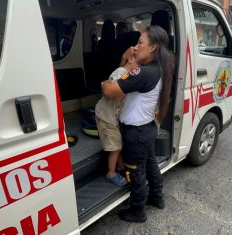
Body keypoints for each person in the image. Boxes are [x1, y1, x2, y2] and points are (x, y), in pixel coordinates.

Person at [101, 25, 175, 222]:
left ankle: (137, 211)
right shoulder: (157, 68)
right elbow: (124, 79)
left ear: (152, 47)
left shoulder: (143, 73)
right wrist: (128, 62)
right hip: (147, 128)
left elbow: (109, 90)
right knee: (150, 165)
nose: (135, 47)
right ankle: (157, 198)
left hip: (136, 133)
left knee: (136, 173)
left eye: (140, 42)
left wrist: (107, 80)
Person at [95, 57, 139, 187]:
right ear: (130, 60)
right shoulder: (122, 72)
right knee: (115, 146)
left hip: (111, 116)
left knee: (118, 142)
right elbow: (113, 92)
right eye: (138, 63)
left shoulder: (126, 74)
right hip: (106, 116)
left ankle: (120, 167)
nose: (139, 68)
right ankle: (111, 173)